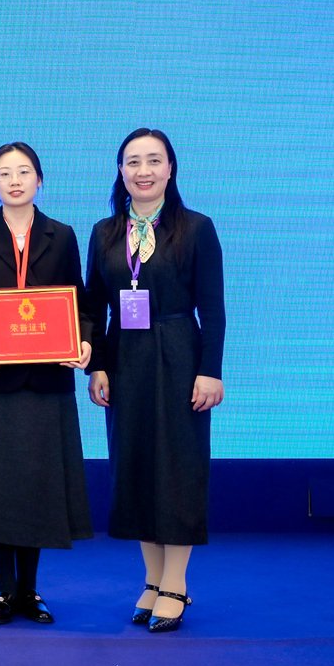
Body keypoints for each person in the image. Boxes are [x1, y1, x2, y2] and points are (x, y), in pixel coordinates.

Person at [0, 142, 93, 626]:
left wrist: (84, 341)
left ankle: (30, 590)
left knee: (36, 486)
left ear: (39, 180)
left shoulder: (62, 236)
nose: (15, 180)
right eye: (5, 173)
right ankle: (4, 591)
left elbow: (79, 302)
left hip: (46, 379)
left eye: (24, 171)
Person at [86, 128, 225, 633]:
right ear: (120, 171)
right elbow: (94, 306)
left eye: (153, 160)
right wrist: (98, 365)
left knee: (178, 469)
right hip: (126, 359)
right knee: (136, 467)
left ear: (170, 169)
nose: (142, 171)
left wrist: (210, 370)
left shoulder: (197, 228)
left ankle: (176, 583)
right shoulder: (104, 231)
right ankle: (151, 578)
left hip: (180, 355)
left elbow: (213, 308)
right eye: (132, 162)